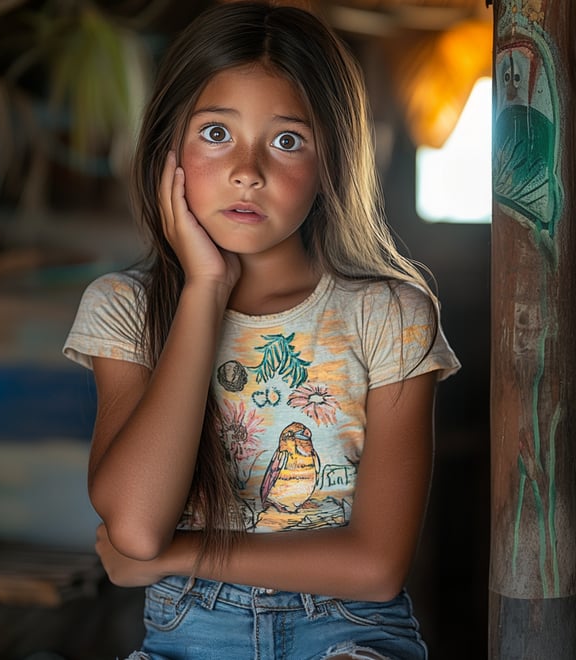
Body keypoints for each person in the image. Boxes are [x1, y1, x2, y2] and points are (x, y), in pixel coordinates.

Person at [63, 2, 460, 658]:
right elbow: (135, 528)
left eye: (286, 140)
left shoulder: (390, 315)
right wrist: (204, 290)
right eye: (217, 133)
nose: (249, 170)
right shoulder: (126, 308)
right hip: (189, 638)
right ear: (168, 148)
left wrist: (181, 553)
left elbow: (378, 565)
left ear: (331, 159)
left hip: (350, 634)